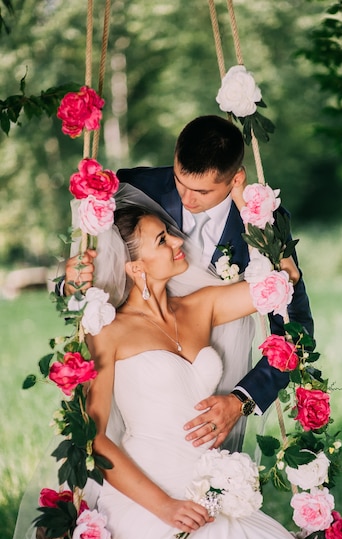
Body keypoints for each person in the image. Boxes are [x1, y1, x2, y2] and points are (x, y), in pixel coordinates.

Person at [41, 192, 342, 539]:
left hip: (209, 483)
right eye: (162, 240)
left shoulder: (200, 305)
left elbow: (279, 285)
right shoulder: (110, 333)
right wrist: (165, 507)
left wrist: (255, 206)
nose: (178, 240)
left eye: (169, 232)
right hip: (150, 489)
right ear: (135, 268)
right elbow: (95, 439)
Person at [63, 115, 314, 453]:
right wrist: (69, 285)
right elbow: (93, 265)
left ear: (235, 179)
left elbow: (295, 326)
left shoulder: (265, 220)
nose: (187, 198)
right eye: (180, 181)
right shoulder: (137, 188)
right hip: (137, 368)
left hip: (220, 371)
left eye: (202, 191)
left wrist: (241, 400)